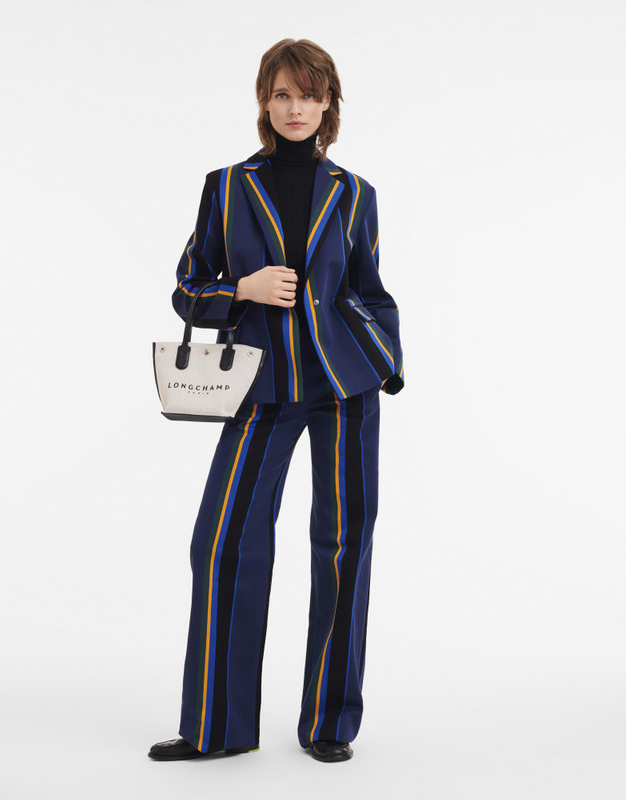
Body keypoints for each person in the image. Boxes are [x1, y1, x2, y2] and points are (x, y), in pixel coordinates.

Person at [149, 38, 404, 764]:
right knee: (223, 542)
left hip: (345, 388)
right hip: (258, 388)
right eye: (283, 94)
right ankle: (216, 729)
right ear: (265, 101)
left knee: (343, 548)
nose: (296, 108)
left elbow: (369, 290)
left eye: (309, 95)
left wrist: (385, 363)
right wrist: (242, 290)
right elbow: (187, 289)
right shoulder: (227, 186)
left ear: (329, 103)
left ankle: (329, 724)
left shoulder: (355, 194)